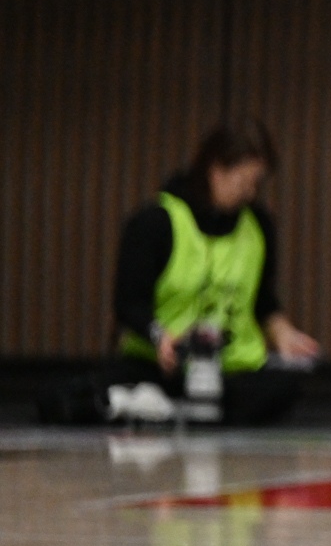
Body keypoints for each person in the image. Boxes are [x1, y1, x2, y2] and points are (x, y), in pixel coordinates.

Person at [108, 120, 319, 426]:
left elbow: (262, 300)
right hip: (163, 363)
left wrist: (282, 332)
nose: (250, 193)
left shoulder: (258, 226)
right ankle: (168, 406)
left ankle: (175, 411)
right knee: (107, 387)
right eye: (244, 182)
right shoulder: (155, 222)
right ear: (216, 171)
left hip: (230, 368)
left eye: (256, 184)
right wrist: (160, 337)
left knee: (283, 387)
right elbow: (128, 303)